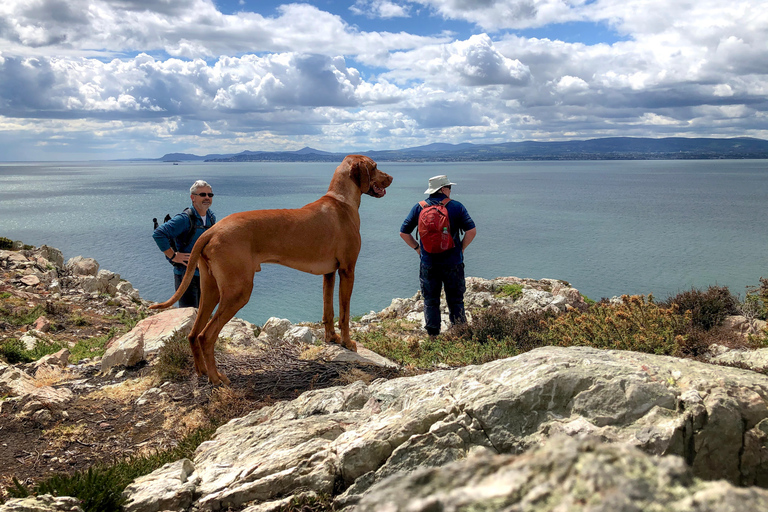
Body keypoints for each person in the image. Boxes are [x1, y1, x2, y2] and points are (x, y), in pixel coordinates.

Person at [400, 175, 476, 336]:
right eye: (449, 187)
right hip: (453, 262)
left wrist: (417, 249)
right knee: (455, 300)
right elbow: (471, 231)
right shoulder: (456, 207)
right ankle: (460, 334)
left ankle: (433, 336)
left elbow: (403, 232)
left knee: (430, 300)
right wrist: (461, 248)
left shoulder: (419, 207)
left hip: (428, 263)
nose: (450, 190)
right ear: (443, 189)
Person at [152, 180, 216, 308]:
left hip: (204, 274)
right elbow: (159, 234)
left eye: (210, 195)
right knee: (188, 313)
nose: (207, 198)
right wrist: (173, 255)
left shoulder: (211, 217)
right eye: (202, 194)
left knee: (203, 313)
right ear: (193, 197)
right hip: (186, 275)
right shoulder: (184, 219)